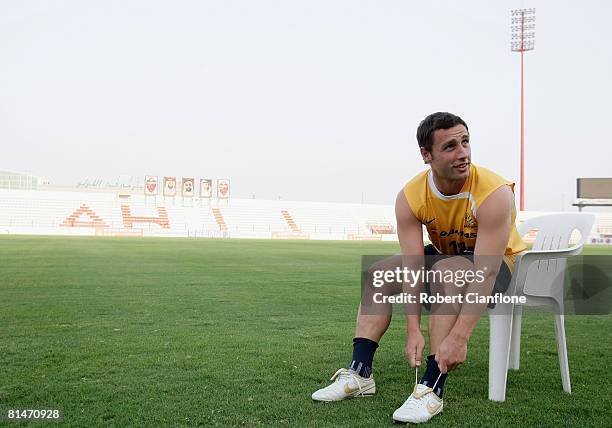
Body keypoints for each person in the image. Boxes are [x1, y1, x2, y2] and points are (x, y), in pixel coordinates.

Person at [311, 112, 526, 423]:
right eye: (450, 146)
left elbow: (486, 271)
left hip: (499, 267)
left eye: (465, 142)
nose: (463, 153)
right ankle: (360, 374)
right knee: (379, 274)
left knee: (447, 271)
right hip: (446, 258)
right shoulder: (411, 196)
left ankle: (431, 389)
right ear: (427, 155)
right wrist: (413, 329)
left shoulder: (494, 193)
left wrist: (460, 338)